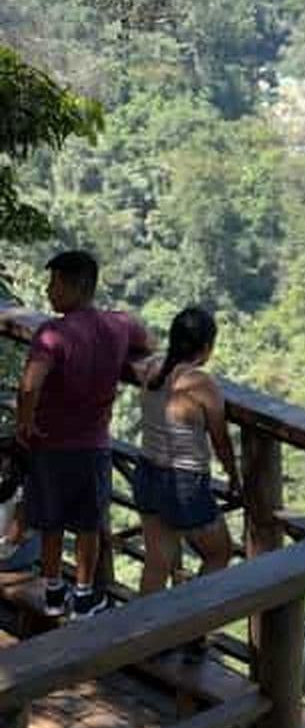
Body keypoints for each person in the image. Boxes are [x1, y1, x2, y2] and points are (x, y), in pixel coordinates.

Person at [16, 251, 152, 618]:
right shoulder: (118, 326)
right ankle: (85, 593)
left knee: (51, 518)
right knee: (88, 522)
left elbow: (30, 385)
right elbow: (149, 343)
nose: (48, 291)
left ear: (76, 286)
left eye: (54, 283)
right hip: (91, 443)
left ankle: (53, 590)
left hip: (49, 441)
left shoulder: (53, 334)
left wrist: (24, 422)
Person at [132, 307, 240, 627]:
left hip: (147, 472)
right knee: (219, 553)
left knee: (158, 561)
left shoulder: (152, 369)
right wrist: (235, 477)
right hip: (184, 483)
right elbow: (221, 441)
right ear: (206, 348)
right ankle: (192, 629)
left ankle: (143, 638)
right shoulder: (201, 385)